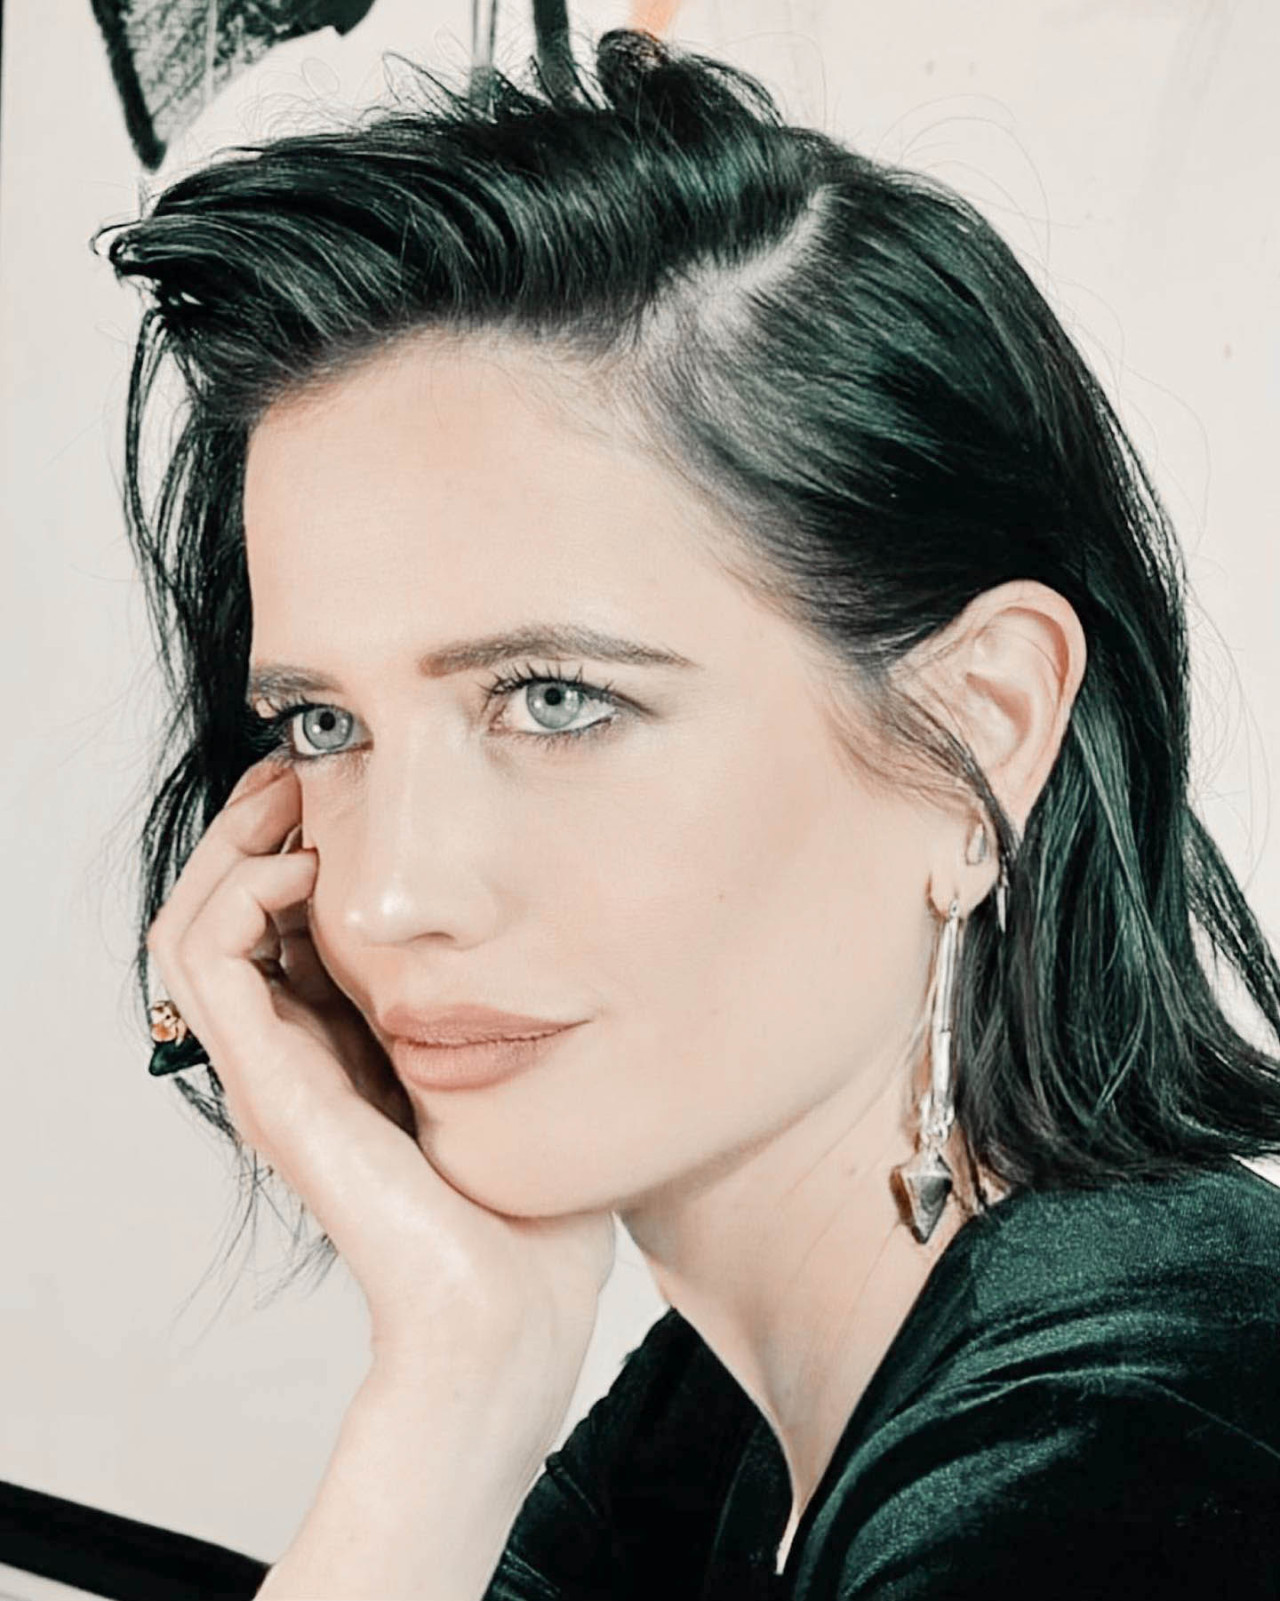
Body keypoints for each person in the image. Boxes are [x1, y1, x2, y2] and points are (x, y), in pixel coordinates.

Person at [97, 26, 1280, 1600]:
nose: (381, 896)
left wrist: (448, 1413)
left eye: (554, 698)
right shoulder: (714, 1415)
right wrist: (464, 1367)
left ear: (977, 732)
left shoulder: (1139, 1468)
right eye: (325, 724)